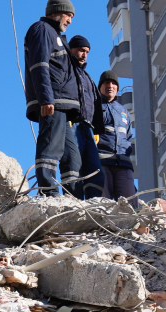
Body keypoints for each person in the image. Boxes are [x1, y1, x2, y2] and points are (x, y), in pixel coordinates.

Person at [23, 0, 82, 197]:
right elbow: (39, 65)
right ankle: (48, 193)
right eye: (69, 15)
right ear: (57, 12)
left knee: (72, 157)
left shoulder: (56, 35)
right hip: (53, 101)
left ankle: (72, 196)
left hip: (63, 105)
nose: (70, 21)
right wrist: (46, 99)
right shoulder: (42, 30)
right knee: (50, 148)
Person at [66, 36, 107, 199]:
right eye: (81, 50)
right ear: (71, 50)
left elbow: (95, 105)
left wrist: (96, 129)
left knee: (95, 171)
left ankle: (93, 204)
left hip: (88, 128)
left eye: (87, 52)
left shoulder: (87, 78)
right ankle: (73, 202)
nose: (84, 55)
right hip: (72, 124)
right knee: (73, 166)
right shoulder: (66, 71)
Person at [96, 73, 139, 198]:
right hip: (102, 161)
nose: (110, 86)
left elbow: (128, 136)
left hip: (123, 163)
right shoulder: (93, 107)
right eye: (106, 83)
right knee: (104, 204)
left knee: (129, 204)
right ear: (100, 87)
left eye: (113, 83)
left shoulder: (123, 111)